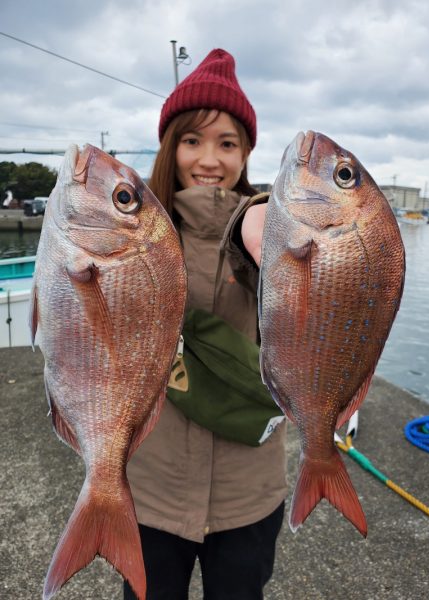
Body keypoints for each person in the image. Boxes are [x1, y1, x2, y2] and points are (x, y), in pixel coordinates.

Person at [125, 48, 287, 600]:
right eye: (192, 140)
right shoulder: (135, 234)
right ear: (170, 147)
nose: (209, 159)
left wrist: (274, 237)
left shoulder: (270, 231)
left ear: (246, 153)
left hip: (250, 489)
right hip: (150, 486)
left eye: (228, 143)